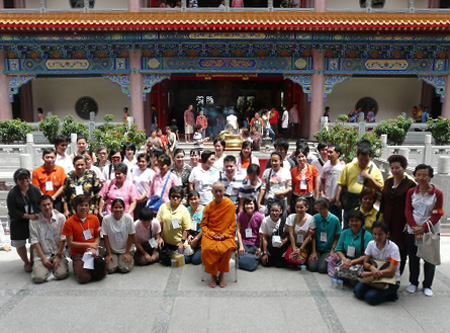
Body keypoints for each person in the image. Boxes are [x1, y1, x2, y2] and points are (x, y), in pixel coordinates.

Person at [405, 164, 443, 297]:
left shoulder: (437, 193)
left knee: (429, 259)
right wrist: (414, 227)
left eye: (425, 175)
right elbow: (408, 210)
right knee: (413, 257)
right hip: (413, 229)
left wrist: (424, 228)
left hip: (430, 230)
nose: (421, 178)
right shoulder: (411, 192)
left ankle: (427, 285)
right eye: (418, 175)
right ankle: (413, 282)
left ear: (431, 177)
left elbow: (438, 213)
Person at [381, 155, 416, 275]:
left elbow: (413, 205)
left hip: (401, 220)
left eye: (398, 168)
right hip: (387, 219)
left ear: (404, 168)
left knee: (400, 247)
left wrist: (409, 222)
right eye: (392, 168)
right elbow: (383, 201)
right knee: (386, 245)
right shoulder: (388, 181)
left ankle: (397, 273)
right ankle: (386, 270)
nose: (395, 171)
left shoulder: (410, 184)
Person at [353, 221, 400, 305]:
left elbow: (391, 271)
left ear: (387, 234)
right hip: (374, 277)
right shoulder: (371, 244)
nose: (377, 237)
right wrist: (372, 268)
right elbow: (366, 262)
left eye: (380, 234)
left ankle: (392, 294)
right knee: (357, 292)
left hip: (389, 280)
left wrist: (370, 274)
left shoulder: (393, 248)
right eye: (374, 234)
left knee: (370, 298)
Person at [336, 146, 383, 229]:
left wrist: (370, 178)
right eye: (361, 160)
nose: (364, 162)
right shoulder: (349, 167)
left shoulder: (375, 170)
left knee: (363, 226)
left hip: (366, 202)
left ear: (370, 157)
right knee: (348, 225)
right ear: (357, 157)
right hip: (351, 200)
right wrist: (338, 198)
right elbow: (341, 183)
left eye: (366, 160)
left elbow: (380, 188)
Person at [201, 182, 237, 288]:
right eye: (215, 191)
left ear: (224, 191)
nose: (218, 193)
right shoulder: (208, 207)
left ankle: (221, 275)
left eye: (220, 191)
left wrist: (224, 235)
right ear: (212, 192)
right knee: (208, 249)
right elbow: (203, 225)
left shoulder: (229, 205)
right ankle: (213, 275)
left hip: (226, 235)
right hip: (211, 235)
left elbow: (232, 225)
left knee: (226, 249)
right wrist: (212, 235)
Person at [62, 194, 105, 284]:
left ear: (89, 206)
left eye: (86, 205)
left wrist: (93, 248)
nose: (84, 207)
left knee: (101, 274)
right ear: (76, 206)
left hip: (92, 251)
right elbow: (70, 243)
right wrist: (89, 244)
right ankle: (78, 266)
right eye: (81, 205)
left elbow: (97, 236)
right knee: (84, 278)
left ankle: (87, 268)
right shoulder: (69, 222)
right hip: (78, 253)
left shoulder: (94, 218)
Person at [7, 168, 41, 272]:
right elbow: (12, 210)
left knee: (33, 241)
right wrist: (26, 216)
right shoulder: (12, 193)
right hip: (18, 220)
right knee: (20, 243)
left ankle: (32, 260)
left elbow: (40, 202)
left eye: (26, 178)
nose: (24, 180)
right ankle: (26, 262)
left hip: (33, 219)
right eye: (21, 179)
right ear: (16, 180)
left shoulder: (34, 189)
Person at [29, 195, 68, 283]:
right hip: (42, 255)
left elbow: (63, 238)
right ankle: (43, 269)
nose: (47, 207)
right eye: (44, 205)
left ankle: (53, 268)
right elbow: (34, 241)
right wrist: (43, 258)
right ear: (39, 206)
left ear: (52, 204)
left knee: (62, 274)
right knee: (39, 278)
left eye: (49, 204)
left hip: (57, 253)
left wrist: (58, 256)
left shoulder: (61, 218)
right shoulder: (34, 221)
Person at [335, 209, 373, 283]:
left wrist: (353, 262)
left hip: (359, 262)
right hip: (346, 260)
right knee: (338, 276)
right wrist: (344, 259)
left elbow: (367, 255)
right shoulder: (345, 233)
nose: (354, 223)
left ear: (361, 222)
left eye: (356, 221)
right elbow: (338, 250)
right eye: (351, 221)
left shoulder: (367, 236)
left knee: (353, 282)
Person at [157, 186, 192, 265]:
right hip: (166, 243)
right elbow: (160, 223)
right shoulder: (163, 207)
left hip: (179, 244)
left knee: (182, 260)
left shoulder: (184, 210)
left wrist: (181, 243)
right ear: (169, 196)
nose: (175, 198)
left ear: (181, 198)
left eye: (178, 197)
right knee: (166, 260)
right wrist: (159, 237)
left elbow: (186, 229)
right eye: (173, 196)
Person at [102, 198, 136, 274]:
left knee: (124, 268)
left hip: (125, 250)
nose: (118, 210)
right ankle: (116, 260)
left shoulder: (128, 218)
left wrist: (127, 253)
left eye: (120, 207)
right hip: (112, 250)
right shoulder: (106, 219)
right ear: (111, 209)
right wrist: (109, 254)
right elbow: (105, 237)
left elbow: (131, 235)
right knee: (110, 268)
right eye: (115, 207)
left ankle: (127, 258)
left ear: (124, 209)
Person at [309, 198, 341, 273]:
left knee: (322, 269)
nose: (320, 211)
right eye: (318, 209)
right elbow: (313, 236)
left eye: (322, 209)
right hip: (317, 248)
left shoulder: (335, 220)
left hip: (328, 249)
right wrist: (313, 251)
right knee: (312, 267)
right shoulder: (315, 218)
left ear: (327, 207)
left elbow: (337, 237)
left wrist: (333, 250)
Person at [285, 198, 315, 267]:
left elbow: (309, 236)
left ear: (306, 208)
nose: (299, 210)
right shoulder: (291, 217)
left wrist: (300, 249)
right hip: (294, 244)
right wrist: (294, 249)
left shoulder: (311, 219)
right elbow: (291, 234)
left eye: (301, 207)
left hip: (305, 245)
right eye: (297, 207)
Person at [237, 196, 264, 271]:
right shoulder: (240, 215)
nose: (249, 206)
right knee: (243, 253)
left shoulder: (259, 216)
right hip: (244, 242)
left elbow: (262, 233)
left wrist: (260, 247)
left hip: (255, 243)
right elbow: (238, 231)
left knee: (249, 255)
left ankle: (251, 256)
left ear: (255, 205)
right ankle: (251, 257)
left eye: (251, 204)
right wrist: (241, 246)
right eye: (247, 204)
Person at [290, 146, 319, 214]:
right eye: (299, 157)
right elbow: (292, 186)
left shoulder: (313, 169)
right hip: (297, 197)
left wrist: (317, 199)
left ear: (306, 157)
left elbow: (317, 185)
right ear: (296, 158)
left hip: (309, 197)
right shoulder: (293, 171)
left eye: (303, 156)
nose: (301, 159)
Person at [259, 201, 288, 268]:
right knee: (266, 263)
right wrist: (265, 253)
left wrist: (285, 241)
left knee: (279, 264)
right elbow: (264, 238)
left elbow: (288, 236)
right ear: (269, 211)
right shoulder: (265, 221)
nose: (274, 213)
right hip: (270, 246)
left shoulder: (285, 221)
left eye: (277, 211)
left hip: (281, 246)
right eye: (272, 210)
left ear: (281, 211)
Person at [320, 144, 345, 222]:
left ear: (338, 153)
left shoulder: (342, 167)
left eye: (331, 152)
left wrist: (335, 199)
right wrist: (322, 193)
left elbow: (343, 185)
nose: (328, 154)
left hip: (336, 202)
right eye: (327, 152)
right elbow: (323, 181)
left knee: (336, 222)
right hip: (326, 200)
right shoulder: (325, 166)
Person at [186, 190, 203, 265]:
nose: (193, 201)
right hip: (190, 235)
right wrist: (188, 235)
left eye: (195, 199)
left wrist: (196, 239)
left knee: (195, 260)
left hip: (201, 236)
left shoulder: (204, 210)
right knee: (186, 259)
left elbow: (206, 228)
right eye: (191, 199)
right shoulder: (186, 210)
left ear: (199, 199)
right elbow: (184, 226)